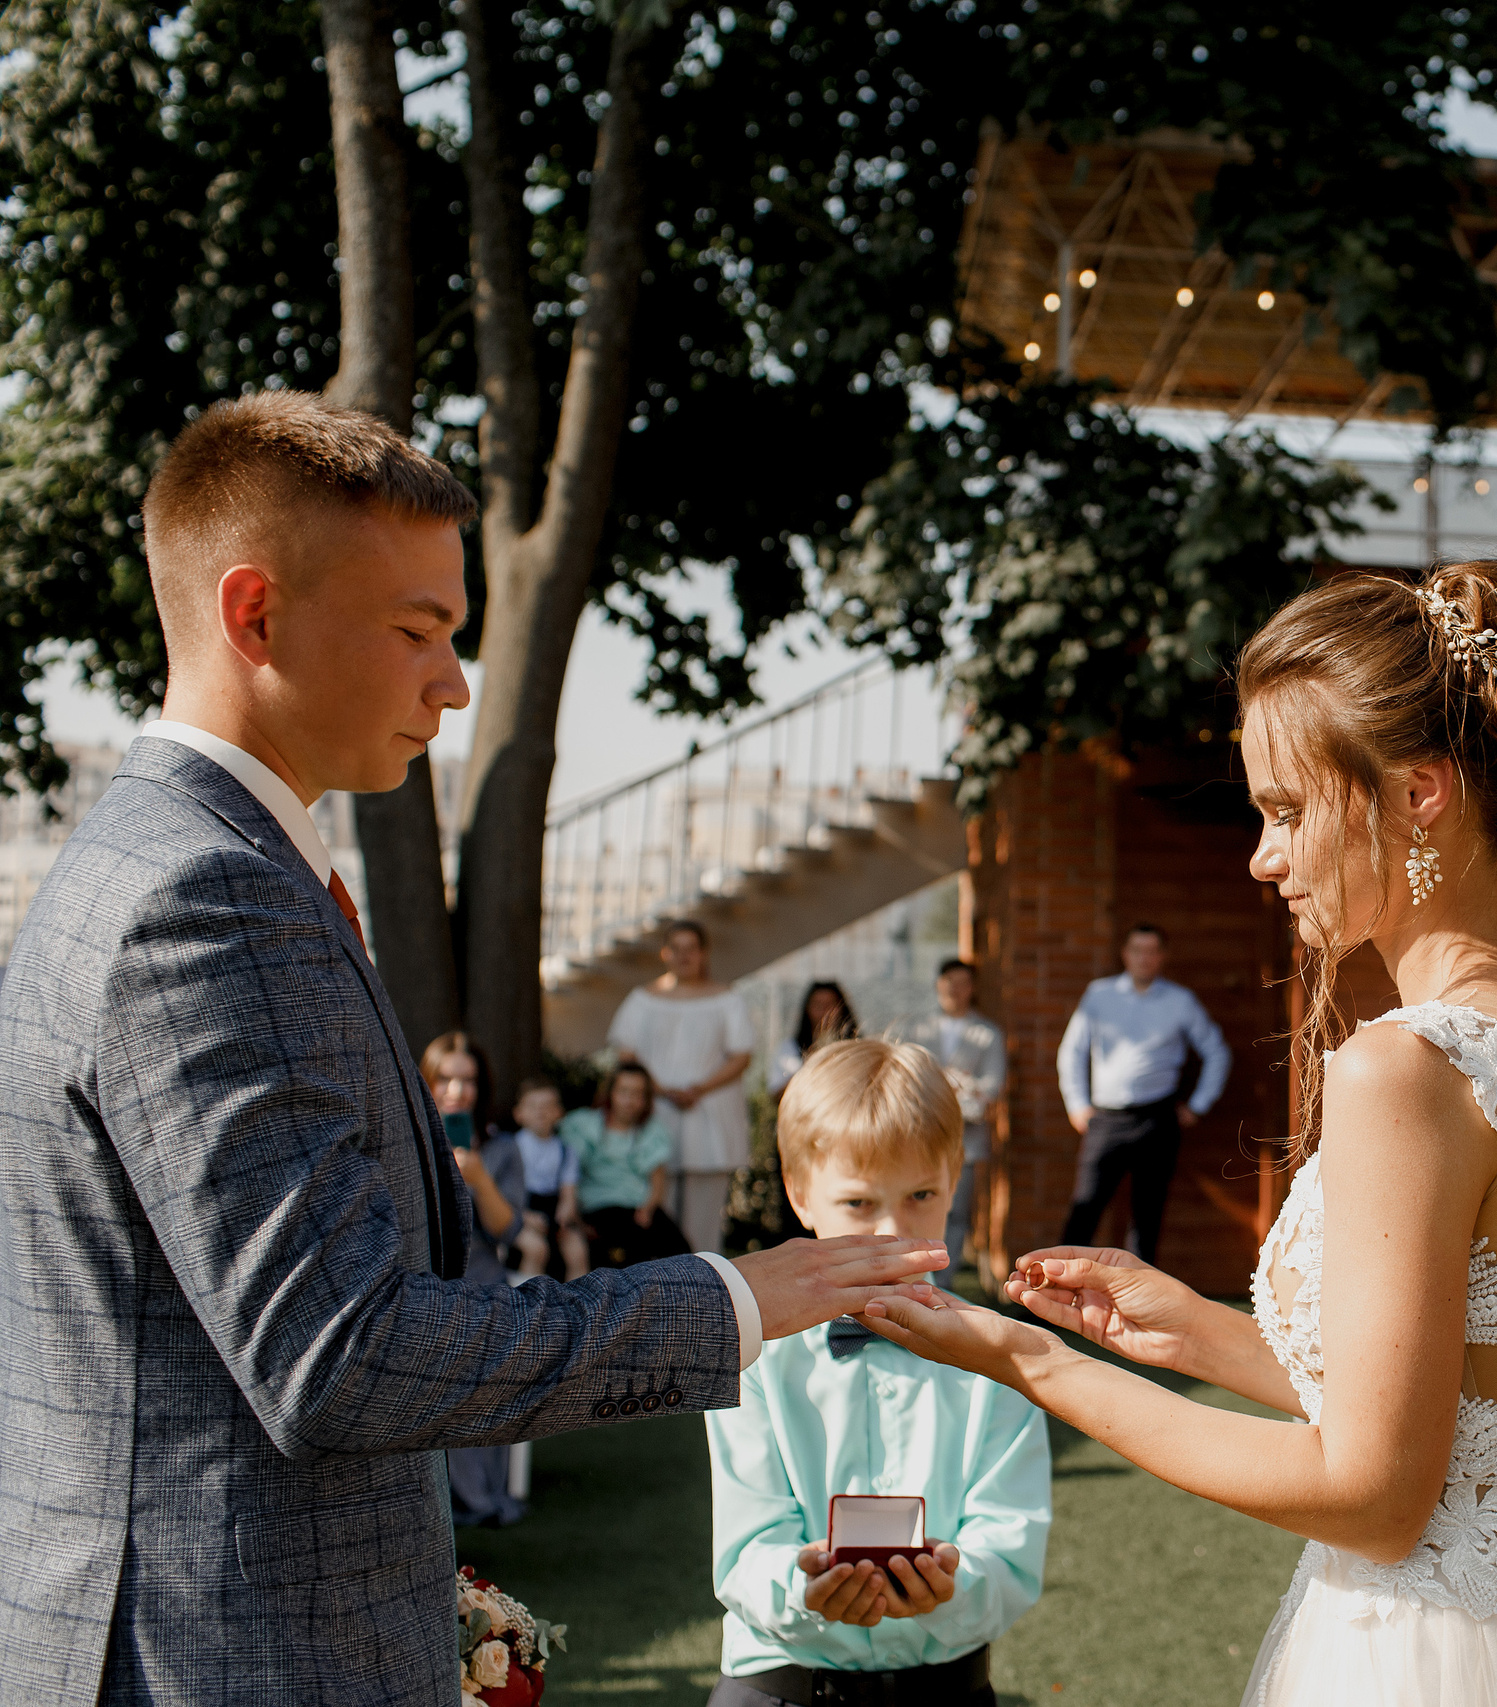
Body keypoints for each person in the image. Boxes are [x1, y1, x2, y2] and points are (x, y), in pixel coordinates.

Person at [0, 392, 944, 1704]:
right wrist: (737, 1297)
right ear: (254, 612)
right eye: (419, 631)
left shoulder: (198, 859)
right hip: (224, 1652)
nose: (453, 680)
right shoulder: (202, 896)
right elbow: (342, 1354)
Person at [858, 561, 1497, 1705]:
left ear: (1419, 792)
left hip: (1427, 1657)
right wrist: (1196, 1334)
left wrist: (1027, 1361)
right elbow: (1485, 1403)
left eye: (1287, 811)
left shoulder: (1406, 1067)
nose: (1263, 857)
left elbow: (1379, 1499)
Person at [706, 1038, 1050, 1707]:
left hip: (945, 1688)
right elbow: (746, 1548)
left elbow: (1010, 1544)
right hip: (779, 1687)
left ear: (954, 1180)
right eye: (859, 1204)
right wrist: (801, 1586)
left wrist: (956, 1582)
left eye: (920, 1193)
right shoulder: (753, 1356)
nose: (893, 1231)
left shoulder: (1000, 1354)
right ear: (801, 1194)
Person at [1054, 925, 1231, 1263]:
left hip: (1157, 1119)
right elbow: (1071, 1052)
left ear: (1162, 957)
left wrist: (1198, 1105)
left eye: (1152, 951)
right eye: (1138, 950)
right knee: (1085, 1207)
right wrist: (1077, 1106)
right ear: (1126, 954)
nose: (1144, 958)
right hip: (1105, 1119)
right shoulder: (1099, 995)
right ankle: (1054, 1299)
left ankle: (1139, 1308)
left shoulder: (1180, 1001)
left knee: (1147, 1217)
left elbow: (1217, 1051)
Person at [424, 1031, 530, 1529]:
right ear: (427, 1081)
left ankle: (479, 1495)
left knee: (484, 1384)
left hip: (483, 1287)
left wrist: (480, 1178)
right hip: (424, 1286)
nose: (456, 1090)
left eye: (467, 1080)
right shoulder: (409, 1141)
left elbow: (508, 1228)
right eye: (445, 1078)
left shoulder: (503, 1149)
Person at [609, 919, 758, 1257]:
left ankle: (707, 1288)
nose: (684, 956)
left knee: (704, 1218)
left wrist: (698, 1089)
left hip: (708, 1114)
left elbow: (741, 1056)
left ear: (703, 953)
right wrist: (659, 1090)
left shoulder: (726, 998)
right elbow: (626, 1053)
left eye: (691, 949)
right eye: (676, 949)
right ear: (665, 953)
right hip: (657, 1111)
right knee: (656, 1207)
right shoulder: (643, 999)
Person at [888, 959, 1009, 1287]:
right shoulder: (915, 1029)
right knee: (913, 1208)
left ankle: (943, 1286)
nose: (955, 989)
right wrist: (957, 1087)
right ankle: (908, 1277)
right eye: (948, 982)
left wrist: (952, 1092)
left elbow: (989, 1090)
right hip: (916, 1139)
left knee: (954, 1214)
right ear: (938, 984)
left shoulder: (987, 1034)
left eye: (962, 982)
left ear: (972, 988)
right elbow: (904, 1083)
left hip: (965, 1143)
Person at [566, 1061, 692, 1269]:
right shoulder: (584, 1125)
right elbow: (569, 1173)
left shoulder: (650, 1131)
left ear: (646, 1099)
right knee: (627, 1256)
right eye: (623, 1092)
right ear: (611, 1093)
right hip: (600, 1207)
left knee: (681, 1251)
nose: (629, 1100)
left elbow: (658, 1180)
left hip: (640, 1206)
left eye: (637, 1094)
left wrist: (649, 1208)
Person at [510, 1077, 589, 1281]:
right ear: (518, 1114)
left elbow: (568, 1191)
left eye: (547, 1106)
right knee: (537, 1249)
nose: (540, 1111)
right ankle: (527, 1304)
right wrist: (525, 1217)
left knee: (576, 1249)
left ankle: (576, 1304)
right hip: (521, 1211)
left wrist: (565, 1213)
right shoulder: (512, 1148)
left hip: (552, 1212)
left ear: (559, 1113)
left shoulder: (565, 1150)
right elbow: (506, 1195)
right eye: (533, 1106)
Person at [771, 980, 857, 1094]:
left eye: (829, 1005)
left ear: (841, 1008)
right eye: (818, 1005)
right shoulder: (790, 1048)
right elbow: (776, 1092)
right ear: (808, 1009)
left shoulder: (856, 1048)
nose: (824, 1012)